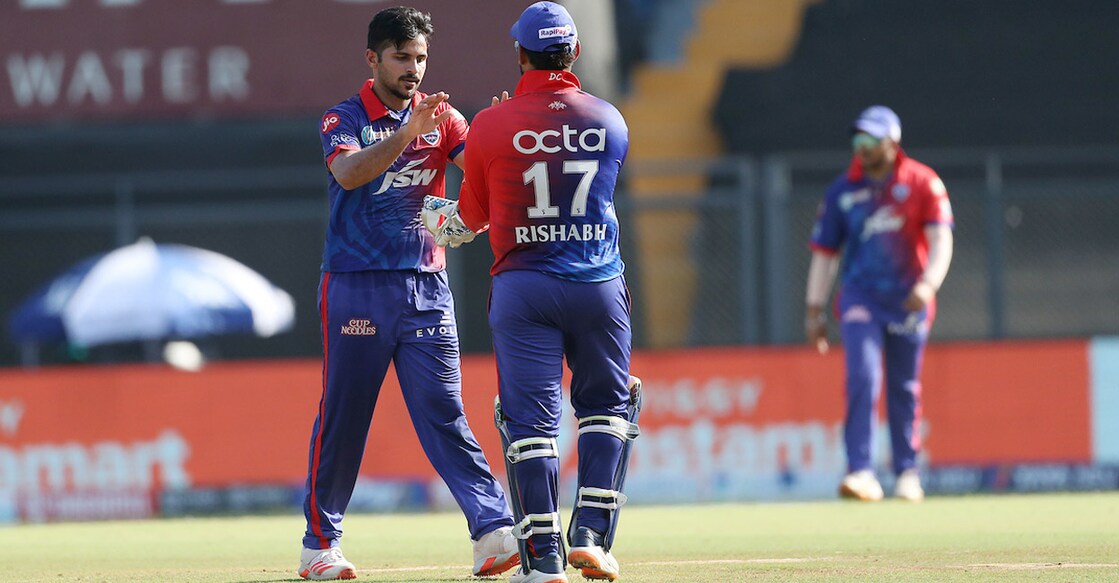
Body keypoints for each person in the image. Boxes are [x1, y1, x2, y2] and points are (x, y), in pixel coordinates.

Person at [299, 7, 519, 580]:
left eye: (420, 57)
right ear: (372, 58)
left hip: (426, 286)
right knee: (346, 416)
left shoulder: (443, 118)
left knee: (444, 412)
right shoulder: (343, 117)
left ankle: (493, 532)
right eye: (401, 57)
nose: (413, 69)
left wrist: (500, 132)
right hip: (356, 287)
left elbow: (488, 175)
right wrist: (406, 133)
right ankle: (320, 545)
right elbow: (348, 174)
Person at [423, 3, 637, 582]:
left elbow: (465, 223)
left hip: (525, 289)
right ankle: (591, 534)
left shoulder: (490, 126)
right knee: (608, 410)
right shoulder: (610, 120)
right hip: (598, 285)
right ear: (575, 54)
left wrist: (431, 216)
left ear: (520, 54)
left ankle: (543, 560)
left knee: (529, 424)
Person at [805, 105, 954, 503]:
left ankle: (907, 472)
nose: (863, 148)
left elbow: (942, 241)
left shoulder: (923, 183)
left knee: (904, 386)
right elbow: (825, 253)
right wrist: (814, 308)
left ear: (892, 142)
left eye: (871, 141)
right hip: (861, 297)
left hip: (909, 298)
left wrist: (928, 285)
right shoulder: (843, 190)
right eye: (858, 141)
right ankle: (860, 471)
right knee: (863, 377)